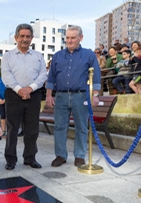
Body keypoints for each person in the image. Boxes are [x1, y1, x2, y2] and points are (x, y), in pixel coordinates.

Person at [45, 25, 101, 167]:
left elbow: (96, 76)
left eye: (73, 38)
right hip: (61, 96)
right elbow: (51, 77)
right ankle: (60, 156)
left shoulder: (89, 55)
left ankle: (80, 156)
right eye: (67, 38)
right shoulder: (57, 56)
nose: (69, 41)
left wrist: (95, 94)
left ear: (80, 38)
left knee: (81, 127)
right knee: (59, 127)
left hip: (80, 96)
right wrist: (49, 95)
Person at [1, 23, 47, 170]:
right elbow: (6, 76)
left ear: (32, 38)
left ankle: (30, 158)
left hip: (33, 95)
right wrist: (20, 90)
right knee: (12, 129)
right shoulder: (7, 57)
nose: (25, 39)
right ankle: (10, 159)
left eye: (28, 36)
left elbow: (42, 75)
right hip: (14, 95)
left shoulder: (38, 56)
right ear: (16, 37)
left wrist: (30, 89)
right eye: (22, 36)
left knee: (32, 129)